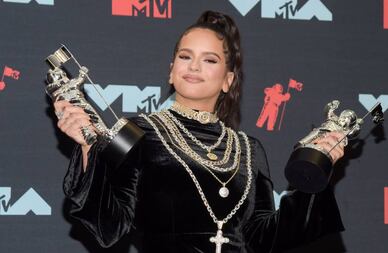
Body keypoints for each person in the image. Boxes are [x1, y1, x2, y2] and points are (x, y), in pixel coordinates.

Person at [53, 10, 346, 253]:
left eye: (210, 60)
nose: (194, 66)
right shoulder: (137, 132)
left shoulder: (249, 149)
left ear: (228, 80)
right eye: (185, 56)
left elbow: (263, 238)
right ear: (171, 70)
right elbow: (109, 226)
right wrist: (89, 145)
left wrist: (315, 170)